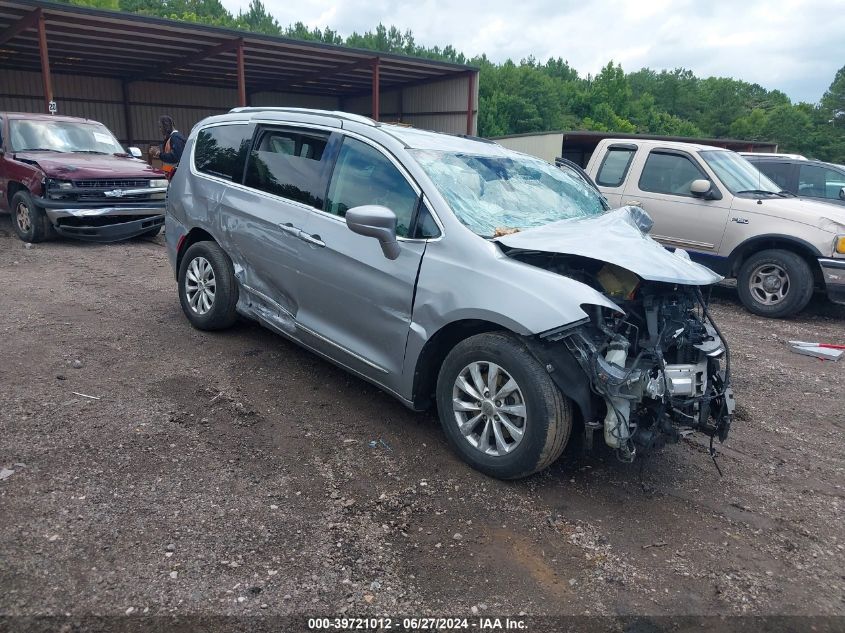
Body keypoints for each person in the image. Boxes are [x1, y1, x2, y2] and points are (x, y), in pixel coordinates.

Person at [149, 115, 186, 180]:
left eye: (161, 127)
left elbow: (175, 158)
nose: (160, 130)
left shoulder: (176, 138)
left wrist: (158, 153)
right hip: (172, 176)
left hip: (177, 177)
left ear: (166, 126)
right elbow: (168, 164)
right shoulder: (171, 138)